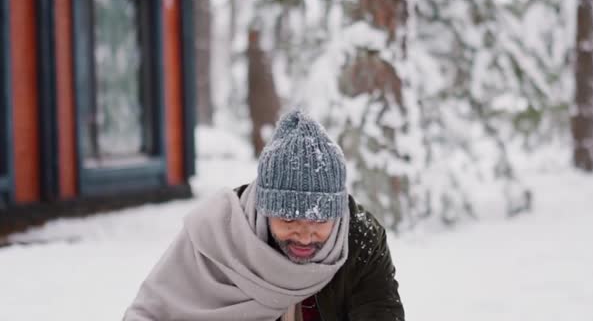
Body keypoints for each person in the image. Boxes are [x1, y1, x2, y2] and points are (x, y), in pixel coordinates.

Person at [124, 109, 404, 321]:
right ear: (265, 209)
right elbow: (150, 313)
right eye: (289, 219)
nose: (305, 235)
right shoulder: (220, 232)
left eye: (319, 220)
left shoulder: (360, 240)